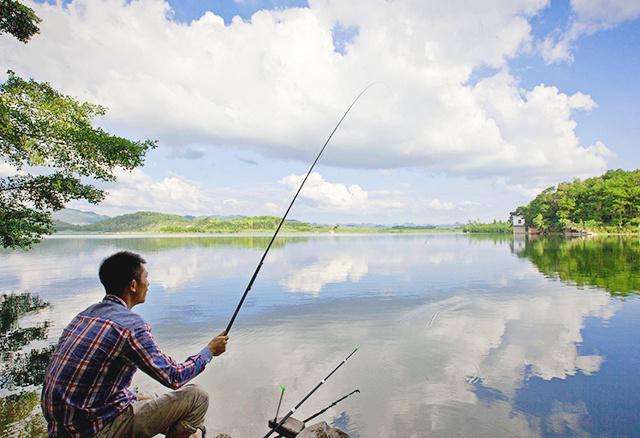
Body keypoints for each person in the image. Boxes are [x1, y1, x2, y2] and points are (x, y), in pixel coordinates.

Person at [41, 251, 228, 437]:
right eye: (146, 278)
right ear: (133, 285)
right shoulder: (130, 326)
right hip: (94, 431)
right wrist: (209, 351)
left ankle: (191, 432)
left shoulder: (84, 316)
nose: (149, 283)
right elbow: (174, 377)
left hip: (62, 429)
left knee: (147, 397)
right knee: (197, 397)